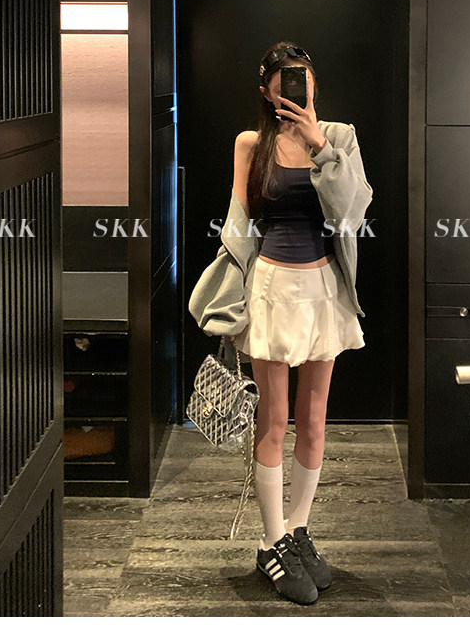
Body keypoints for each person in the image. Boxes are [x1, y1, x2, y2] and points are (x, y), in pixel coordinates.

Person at [189, 40, 373, 607]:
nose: (297, 86)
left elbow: (352, 213)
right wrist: (229, 301)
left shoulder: (339, 137)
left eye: (304, 77)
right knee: (274, 420)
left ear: (315, 84)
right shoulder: (250, 143)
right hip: (271, 288)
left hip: (323, 289)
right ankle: (271, 542)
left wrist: (321, 148)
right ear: (266, 91)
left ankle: (297, 530)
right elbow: (240, 225)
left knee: (314, 420)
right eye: (285, 79)